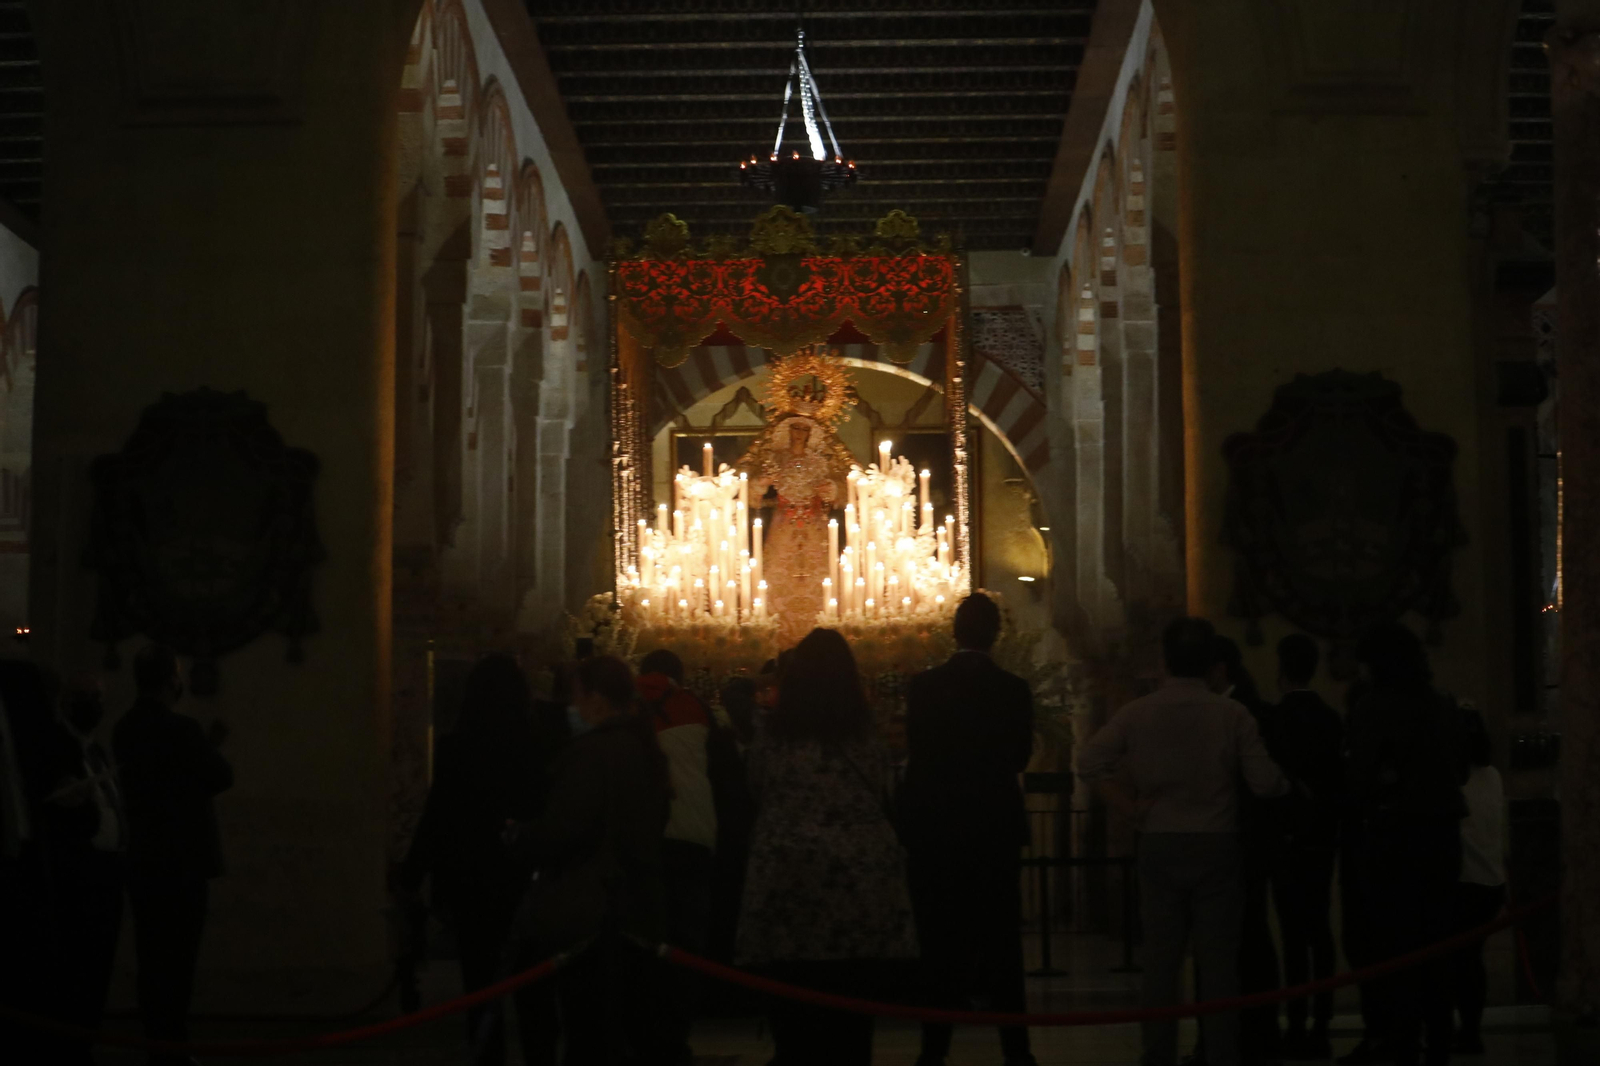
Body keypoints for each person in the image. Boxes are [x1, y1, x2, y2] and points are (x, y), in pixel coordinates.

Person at [1077, 617, 1289, 1066]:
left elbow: (1091, 760)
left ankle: (1158, 1055)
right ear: (1212, 663)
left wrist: (1129, 806)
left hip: (1159, 840)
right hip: (1216, 841)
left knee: (1161, 961)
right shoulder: (1232, 714)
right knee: (1218, 965)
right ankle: (1220, 1053)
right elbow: (1266, 782)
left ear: (1165, 661)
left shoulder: (1139, 712)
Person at [737, 627, 918, 1066]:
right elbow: (883, 787)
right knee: (851, 1023)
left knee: (794, 1020)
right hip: (858, 887)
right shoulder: (865, 736)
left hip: (788, 884)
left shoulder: (775, 738)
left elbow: (754, 788)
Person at [505, 654, 673, 1066]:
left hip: (592, 910)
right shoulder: (643, 749)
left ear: (596, 698)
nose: (572, 708)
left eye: (576, 697)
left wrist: (521, 837)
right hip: (635, 906)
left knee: (590, 1029)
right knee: (621, 1026)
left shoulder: (594, 754)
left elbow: (566, 827)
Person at [899, 592, 1036, 1066]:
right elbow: (1020, 757)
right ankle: (1016, 1052)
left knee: (939, 944)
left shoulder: (924, 687)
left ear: (954, 632)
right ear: (995, 634)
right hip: (994, 828)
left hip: (937, 830)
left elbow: (917, 751)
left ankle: (931, 1052)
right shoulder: (1014, 689)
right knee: (1001, 943)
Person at [398, 652, 551, 1066]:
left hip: (472, 883)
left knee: (481, 985)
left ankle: (489, 1058)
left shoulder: (458, 747)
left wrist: (412, 875)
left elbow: (438, 816)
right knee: (533, 987)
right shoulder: (536, 745)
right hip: (524, 878)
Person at [1341, 622, 1469, 1066]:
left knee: (1395, 948)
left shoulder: (1373, 707)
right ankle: (1437, 1039)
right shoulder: (1441, 705)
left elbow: (1359, 779)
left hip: (1393, 838)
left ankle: (1402, 1040)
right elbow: (1461, 770)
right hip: (1441, 837)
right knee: (1437, 944)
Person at [113, 645, 234, 1065]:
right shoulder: (183, 730)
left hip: (144, 860)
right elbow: (219, 776)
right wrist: (210, 746)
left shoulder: (124, 729)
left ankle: (155, 1043)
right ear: (171, 681)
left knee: (152, 957)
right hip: (183, 863)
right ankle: (173, 1046)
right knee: (179, 961)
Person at [636, 649, 720, 1063]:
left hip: (643, 842)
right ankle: (676, 1037)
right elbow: (723, 776)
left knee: (642, 943)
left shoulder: (622, 707)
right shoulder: (698, 708)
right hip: (693, 839)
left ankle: (643, 1039)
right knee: (686, 946)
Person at [40, 677, 128, 1066]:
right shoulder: (54, 749)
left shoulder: (98, 753)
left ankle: (85, 1042)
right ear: (67, 704)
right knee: (77, 964)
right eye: (87, 700)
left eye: (99, 699)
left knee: (99, 965)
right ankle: (70, 1047)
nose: (96, 706)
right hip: (79, 874)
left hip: (108, 872)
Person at [1265, 635, 1345, 1061]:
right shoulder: (1331, 719)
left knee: (1293, 935)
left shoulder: (1275, 720)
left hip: (1285, 838)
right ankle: (1321, 1022)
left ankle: (1295, 1021)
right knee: (1319, 930)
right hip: (1321, 837)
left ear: (1282, 670)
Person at [1211, 636, 1285, 1066]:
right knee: (1250, 935)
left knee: (1243, 938)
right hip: (1247, 839)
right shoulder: (1253, 708)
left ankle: (1251, 1031)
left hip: (1240, 839)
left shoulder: (1241, 713)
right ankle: (1256, 1030)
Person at [1449, 708, 1504, 1056]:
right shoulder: (1493, 775)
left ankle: (1466, 1033)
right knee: (1473, 962)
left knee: (1460, 963)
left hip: (1465, 882)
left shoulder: (1456, 780)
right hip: (1491, 882)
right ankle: (1471, 1031)